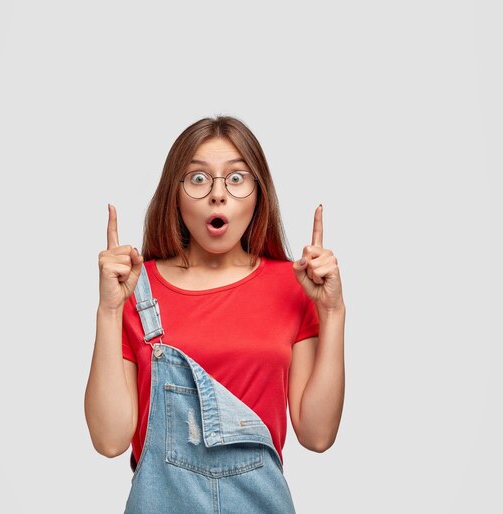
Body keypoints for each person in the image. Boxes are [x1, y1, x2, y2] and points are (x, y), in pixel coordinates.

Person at [84, 115, 346, 513]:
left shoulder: (293, 286)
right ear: (175, 193)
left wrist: (333, 312)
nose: (218, 195)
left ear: (259, 193)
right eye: (199, 179)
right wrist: (108, 310)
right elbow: (109, 440)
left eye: (237, 178)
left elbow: (317, 434)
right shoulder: (136, 289)